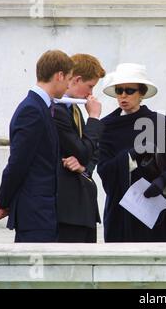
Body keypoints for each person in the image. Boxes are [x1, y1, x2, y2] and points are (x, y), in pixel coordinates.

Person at [0, 50, 73, 243]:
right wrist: (4, 201)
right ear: (59, 75)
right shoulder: (32, 110)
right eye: (68, 79)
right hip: (35, 216)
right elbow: (17, 164)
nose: (68, 86)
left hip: (42, 214)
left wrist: (5, 201)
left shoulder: (40, 107)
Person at [97, 63, 166, 242]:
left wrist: (162, 181)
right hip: (123, 215)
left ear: (142, 93)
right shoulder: (107, 127)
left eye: (129, 91)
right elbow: (104, 170)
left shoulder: (161, 123)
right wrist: (130, 155)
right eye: (119, 90)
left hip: (160, 216)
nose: (123, 96)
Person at [52, 54, 106, 243]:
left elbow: (93, 150)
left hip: (83, 206)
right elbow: (83, 150)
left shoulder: (74, 109)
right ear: (76, 80)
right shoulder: (58, 109)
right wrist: (94, 118)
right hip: (68, 207)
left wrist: (84, 167)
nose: (91, 93)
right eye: (90, 86)